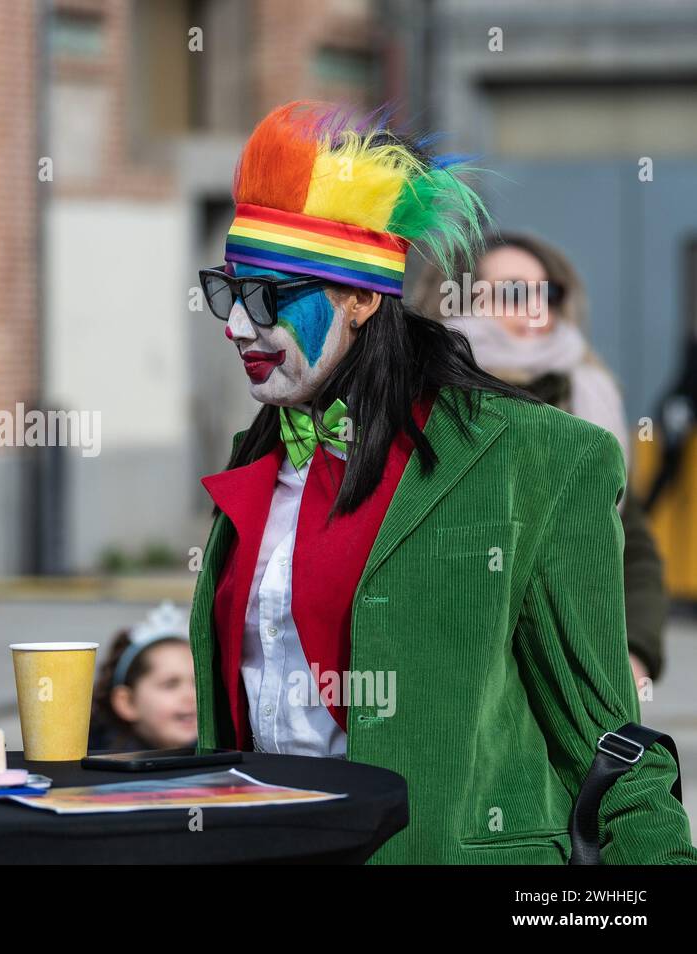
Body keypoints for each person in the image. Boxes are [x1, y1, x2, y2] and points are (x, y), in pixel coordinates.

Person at [190, 101, 695, 863]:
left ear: (360, 299)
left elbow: (608, 740)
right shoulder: (255, 463)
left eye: (269, 297)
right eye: (228, 293)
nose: (235, 326)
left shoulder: (541, 455)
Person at [411, 232, 667, 685]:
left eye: (546, 292)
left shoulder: (588, 393)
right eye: (513, 293)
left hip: (579, 667)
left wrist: (637, 652)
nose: (535, 309)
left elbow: (632, 541)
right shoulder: (423, 400)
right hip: (459, 670)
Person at [89, 601, 197, 752]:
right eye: (170, 684)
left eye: (199, 684)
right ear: (127, 702)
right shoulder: (95, 764)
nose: (192, 696)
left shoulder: (226, 753)